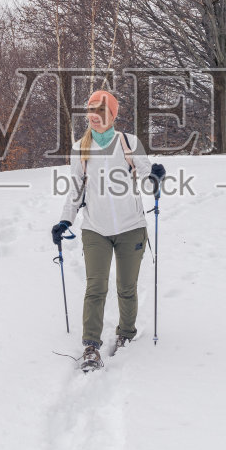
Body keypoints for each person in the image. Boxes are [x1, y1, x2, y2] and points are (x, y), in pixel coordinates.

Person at [51, 89, 165, 371]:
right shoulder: (81, 148)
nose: (94, 117)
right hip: (95, 229)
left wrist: (156, 177)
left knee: (126, 287)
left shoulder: (129, 143)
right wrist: (65, 220)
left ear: (112, 115)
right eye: (91, 111)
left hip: (131, 227)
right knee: (96, 287)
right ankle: (91, 346)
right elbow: (76, 189)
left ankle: (126, 334)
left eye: (101, 112)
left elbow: (148, 183)